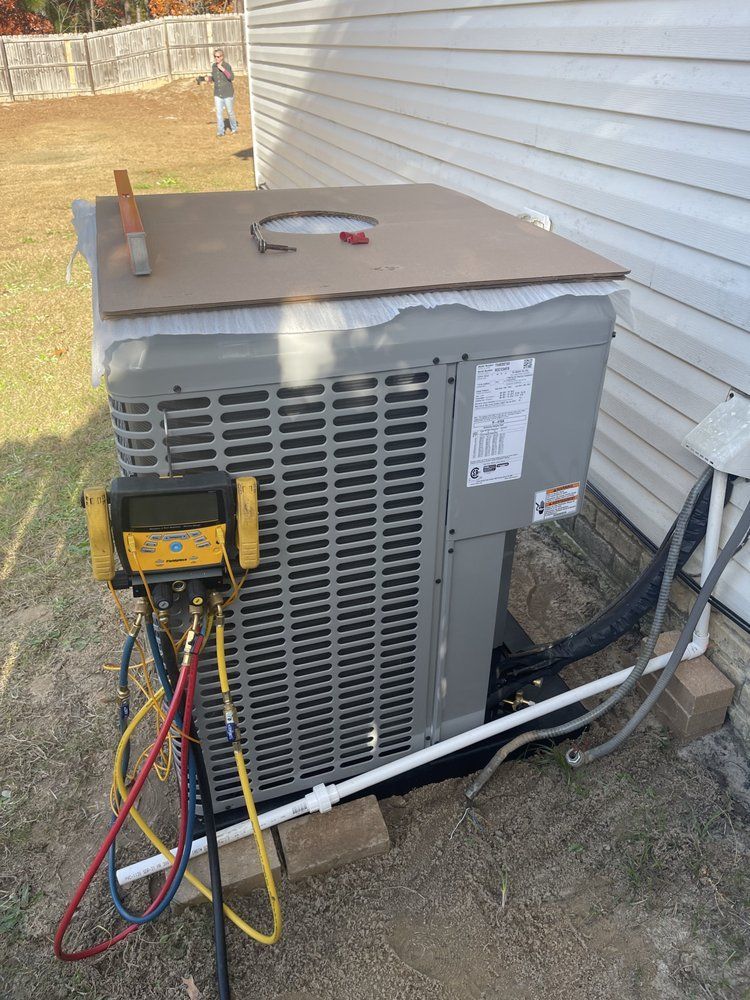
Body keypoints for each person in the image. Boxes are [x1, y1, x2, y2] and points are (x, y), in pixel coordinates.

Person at [208, 48, 237, 138]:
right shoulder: (214, 66)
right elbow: (214, 78)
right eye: (215, 57)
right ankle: (220, 131)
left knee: (230, 112)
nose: (216, 58)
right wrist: (208, 79)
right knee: (219, 113)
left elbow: (231, 77)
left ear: (222, 57)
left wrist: (223, 69)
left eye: (218, 56)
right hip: (218, 93)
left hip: (227, 93)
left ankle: (234, 128)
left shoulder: (227, 66)